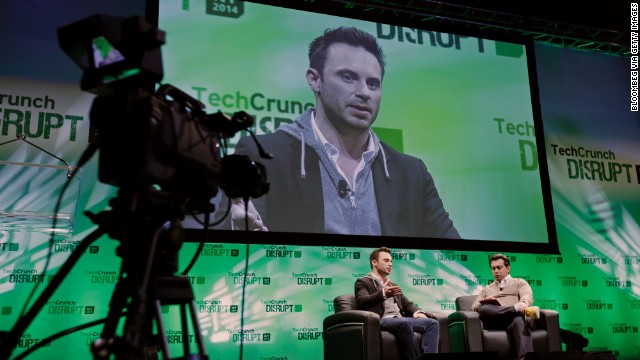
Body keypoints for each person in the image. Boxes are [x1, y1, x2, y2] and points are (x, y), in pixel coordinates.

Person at [230, 26, 459, 238]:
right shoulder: (264, 155)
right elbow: (238, 239)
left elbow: (456, 255)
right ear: (314, 80)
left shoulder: (411, 173)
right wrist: (236, 231)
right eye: (348, 77)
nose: (363, 92)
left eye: (373, 83)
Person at [355, 247, 439, 359]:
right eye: (386, 261)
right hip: (381, 320)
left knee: (432, 323)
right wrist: (383, 293)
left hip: (400, 319)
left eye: (391, 261)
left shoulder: (392, 285)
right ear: (374, 262)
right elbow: (362, 301)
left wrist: (417, 312)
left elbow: (407, 304)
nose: (390, 264)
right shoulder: (363, 282)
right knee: (404, 323)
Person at [471, 253, 540, 360]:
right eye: (493, 268)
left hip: (514, 319)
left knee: (519, 319)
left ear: (508, 268)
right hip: (495, 320)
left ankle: (525, 358)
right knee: (484, 309)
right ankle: (514, 309)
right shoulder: (487, 288)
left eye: (499, 268)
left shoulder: (519, 282)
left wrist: (523, 304)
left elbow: (527, 296)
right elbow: (474, 307)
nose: (496, 271)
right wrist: (485, 301)